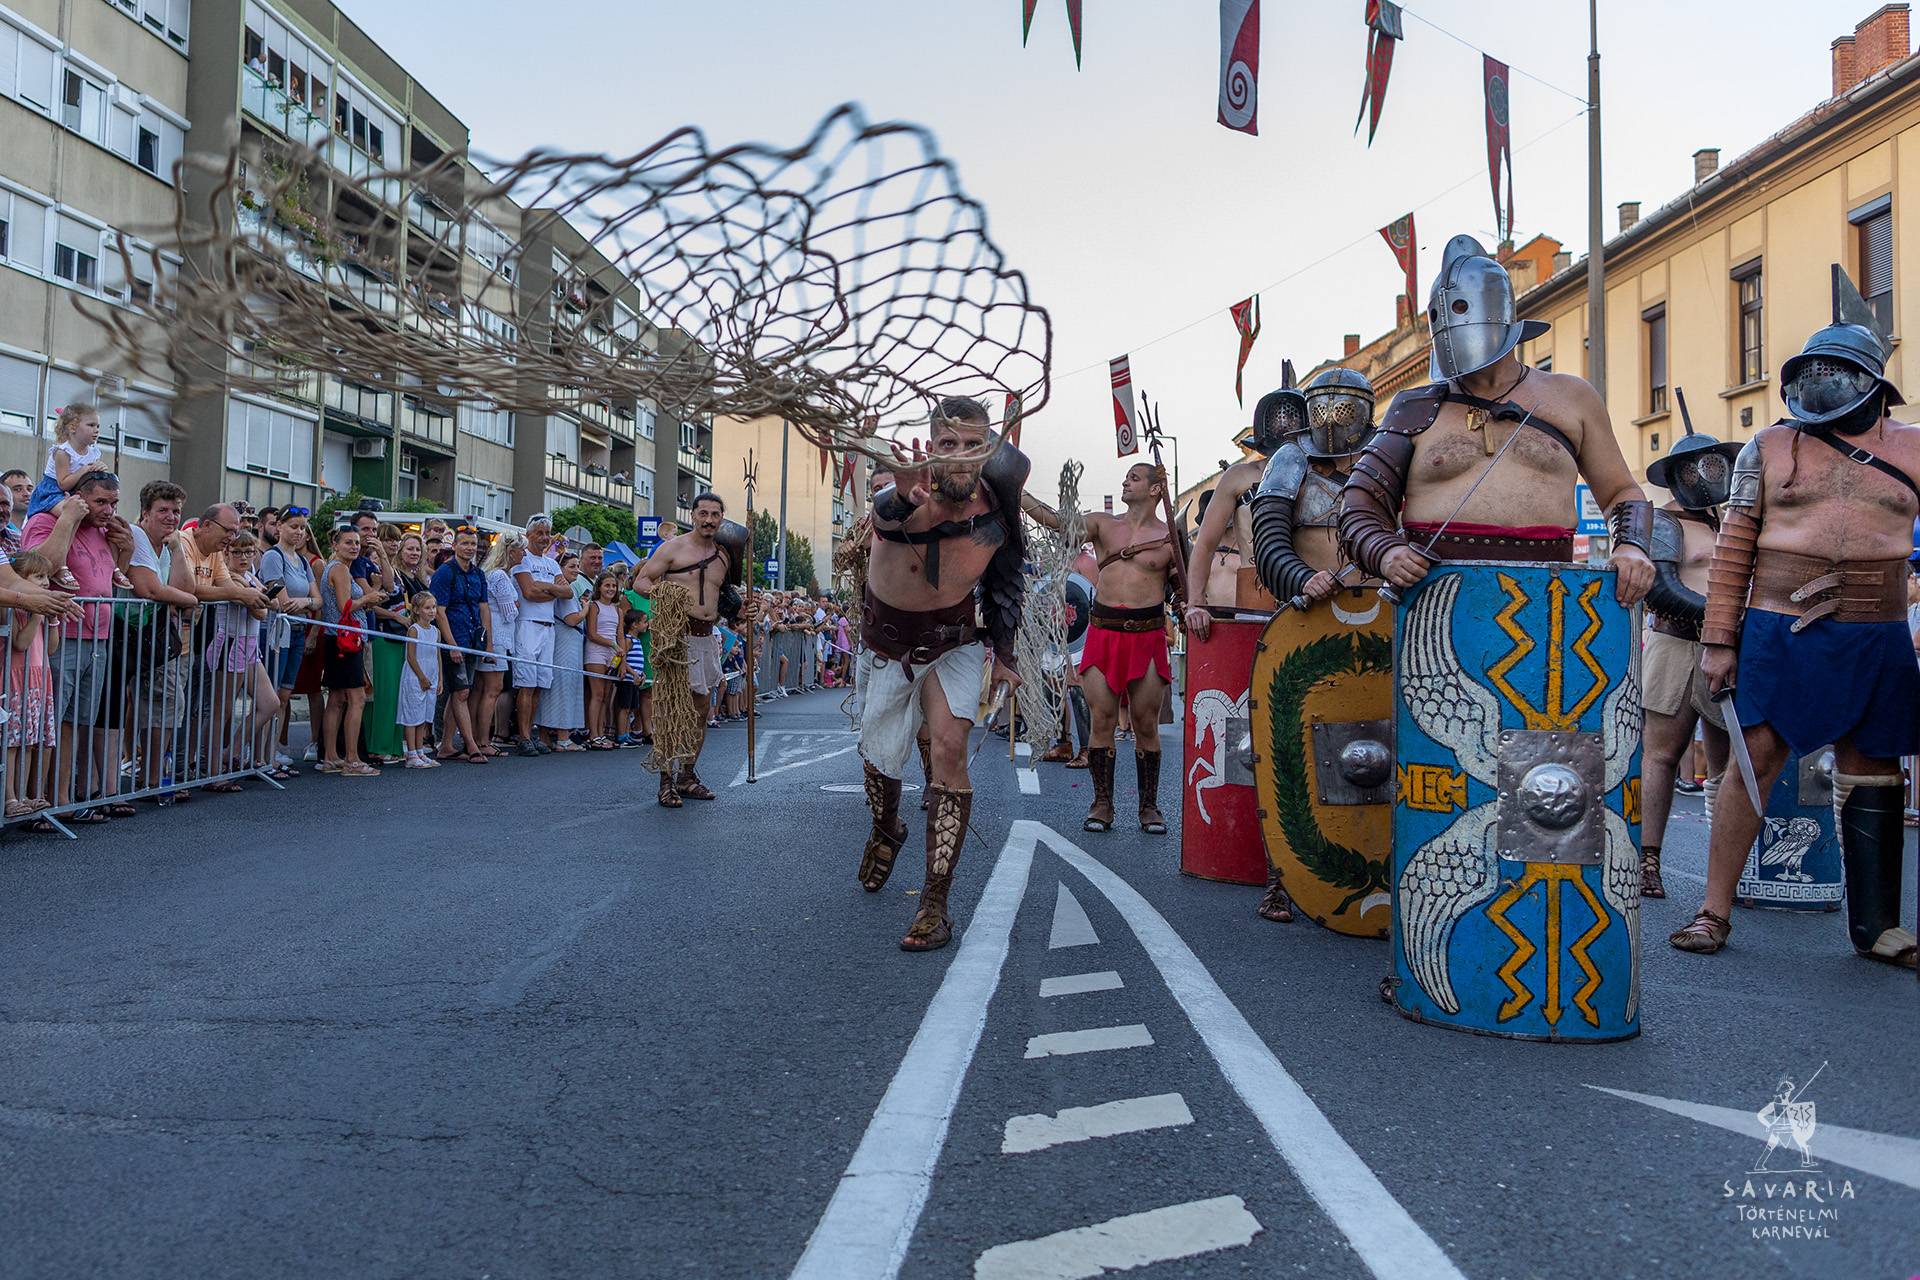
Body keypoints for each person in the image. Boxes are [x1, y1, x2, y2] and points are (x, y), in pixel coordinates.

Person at [1672, 319, 1920, 964]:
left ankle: (1878, 928)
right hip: (1778, 626)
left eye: (1836, 370)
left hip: (1878, 630)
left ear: (1875, 383)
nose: (1821, 382)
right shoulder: (1768, 446)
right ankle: (1713, 911)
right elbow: (1733, 549)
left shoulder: (1914, 447)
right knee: (1753, 760)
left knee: (1875, 765)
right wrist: (1719, 639)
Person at [1338, 235, 1654, 598]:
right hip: (1434, 599)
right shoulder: (1415, 407)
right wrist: (1386, 552)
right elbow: (1359, 505)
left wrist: (1631, 547)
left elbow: (1620, 492)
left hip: (1550, 596)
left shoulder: (1572, 398)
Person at [856, 397, 1027, 950]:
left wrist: (1005, 656)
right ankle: (888, 828)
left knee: (950, 750)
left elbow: (1004, 581)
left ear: (987, 450)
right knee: (880, 759)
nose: (959, 454)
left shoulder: (998, 505)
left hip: (954, 643)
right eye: (948, 443)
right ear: (932, 447)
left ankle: (935, 904)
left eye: (972, 444)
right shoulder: (907, 493)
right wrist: (900, 495)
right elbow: (886, 514)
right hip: (890, 645)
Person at [1221, 371, 1381, 921]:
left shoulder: (1385, 454)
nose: (1334, 417)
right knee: (1288, 743)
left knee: (1377, 748)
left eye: (1345, 406)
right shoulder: (1289, 460)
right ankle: (1283, 877)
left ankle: (1380, 869)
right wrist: (1300, 579)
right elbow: (1270, 542)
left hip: (1379, 614)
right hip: (1305, 615)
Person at [1025, 461, 1177, 835]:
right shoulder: (1102, 525)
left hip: (1148, 636)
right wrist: (1019, 493)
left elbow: (1183, 591)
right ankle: (1102, 804)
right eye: (1126, 477)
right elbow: (1057, 522)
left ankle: (1149, 807)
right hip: (1103, 633)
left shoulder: (1170, 537)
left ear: (1155, 489)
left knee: (1145, 723)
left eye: (1134, 478)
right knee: (1102, 720)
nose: (1125, 481)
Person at [1637, 427, 1742, 898]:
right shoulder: (1664, 521)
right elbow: (1660, 588)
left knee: (1726, 764)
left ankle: (1726, 870)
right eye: (1698, 467)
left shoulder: (1732, 520)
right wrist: (1723, 619)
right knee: (1661, 755)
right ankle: (1647, 860)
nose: (1706, 475)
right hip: (1678, 645)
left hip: (1727, 649)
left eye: (1714, 465)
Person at [24, 478, 135, 820]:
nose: (109, 510)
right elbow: (40, 567)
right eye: (100, 502)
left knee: (75, 721)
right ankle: (35, 801)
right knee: (50, 721)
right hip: (62, 635)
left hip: (97, 637)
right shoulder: (45, 521)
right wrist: (68, 519)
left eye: (114, 503)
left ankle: (61, 800)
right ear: (78, 498)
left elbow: (110, 577)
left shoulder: (102, 530)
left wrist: (125, 550)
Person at [630, 493, 751, 804]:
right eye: (703, 513)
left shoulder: (724, 556)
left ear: (721, 518)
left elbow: (724, 599)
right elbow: (640, 582)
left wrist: (742, 610)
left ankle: (687, 775)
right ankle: (666, 780)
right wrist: (666, 594)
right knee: (672, 711)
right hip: (677, 637)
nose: (709, 520)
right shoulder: (673, 548)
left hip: (707, 638)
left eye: (715, 514)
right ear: (693, 515)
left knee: (699, 711)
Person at [1186, 383, 1308, 613]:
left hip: (1311, 586)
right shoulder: (1238, 477)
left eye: (1292, 418)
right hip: (1255, 590)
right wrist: (1195, 603)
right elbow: (1205, 544)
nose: (1285, 424)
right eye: (1279, 419)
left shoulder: (1318, 473)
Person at [123, 480, 199, 801]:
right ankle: (150, 779)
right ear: (145, 513)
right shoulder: (137, 536)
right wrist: (188, 601)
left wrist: (177, 547)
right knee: (162, 703)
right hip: (134, 633)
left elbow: (184, 587)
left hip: (155, 636)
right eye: (163, 510)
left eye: (176, 511)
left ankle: (153, 777)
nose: (171, 517)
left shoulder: (167, 543)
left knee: (169, 704)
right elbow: (151, 589)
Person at [317, 524, 389, 778]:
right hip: (344, 641)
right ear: (335, 544)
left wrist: (369, 598)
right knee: (356, 699)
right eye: (348, 542)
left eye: (357, 542)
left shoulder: (339, 568)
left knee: (337, 699)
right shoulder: (339, 569)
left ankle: (330, 757)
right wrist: (368, 599)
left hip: (338, 638)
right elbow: (344, 606)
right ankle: (351, 759)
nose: (354, 547)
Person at [260, 505, 320, 773]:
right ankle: (260, 753)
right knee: (272, 696)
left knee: (284, 695)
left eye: (302, 528)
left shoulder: (303, 561)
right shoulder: (273, 557)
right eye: (293, 526)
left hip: (297, 631)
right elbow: (284, 602)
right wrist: (305, 603)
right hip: (277, 631)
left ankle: (272, 752)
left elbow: (317, 600)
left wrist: (305, 602)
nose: (299, 532)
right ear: (279, 527)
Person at [429, 524, 492, 763]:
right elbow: (439, 612)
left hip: (472, 641)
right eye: (464, 543)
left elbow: (484, 608)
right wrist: (452, 645)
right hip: (453, 640)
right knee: (462, 691)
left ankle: (446, 745)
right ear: (454, 545)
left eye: (472, 544)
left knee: (460, 693)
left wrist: (487, 643)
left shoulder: (478, 574)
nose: (469, 548)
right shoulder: (445, 573)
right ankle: (471, 746)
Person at [511, 515, 572, 757]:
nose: (545, 538)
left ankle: (530, 733)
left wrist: (546, 587)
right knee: (526, 684)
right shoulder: (522, 559)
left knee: (539, 685)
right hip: (527, 625)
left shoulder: (552, 564)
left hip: (548, 627)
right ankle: (523, 737)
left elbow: (567, 592)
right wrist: (553, 590)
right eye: (539, 533)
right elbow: (529, 592)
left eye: (547, 533)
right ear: (528, 535)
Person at [5, 551, 58, 821]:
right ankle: (10, 797)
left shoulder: (39, 611)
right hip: (16, 679)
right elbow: (20, 643)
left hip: (38, 678)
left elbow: (51, 648)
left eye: (46, 576)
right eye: (38, 577)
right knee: (12, 742)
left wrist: (53, 620)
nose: (46, 582)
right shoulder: (13, 609)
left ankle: (24, 794)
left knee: (29, 740)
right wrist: (37, 616)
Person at [477, 532, 523, 756]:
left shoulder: (497, 574)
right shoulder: (499, 576)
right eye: (521, 550)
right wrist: (516, 605)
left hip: (498, 636)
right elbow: (509, 612)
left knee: (485, 690)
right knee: (493, 689)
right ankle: (483, 740)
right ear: (511, 552)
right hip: (497, 638)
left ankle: (480, 738)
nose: (524, 554)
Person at [536, 551, 587, 751]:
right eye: (572, 566)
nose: (576, 570)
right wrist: (586, 609)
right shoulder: (565, 591)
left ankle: (545, 736)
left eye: (577, 566)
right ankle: (563, 738)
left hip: (566, 640)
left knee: (555, 687)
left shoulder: (565, 589)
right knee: (563, 687)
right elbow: (571, 619)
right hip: (566, 641)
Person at [27, 404, 109, 521]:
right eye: (91, 425)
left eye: (98, 426)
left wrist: (99, 468)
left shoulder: (93, 452)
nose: (96, 430)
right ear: (72, 428)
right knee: (72, 513)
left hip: (77, 492)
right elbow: (63, 484)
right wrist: (84, 470)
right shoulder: (63, 452)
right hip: (53, 493)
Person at [399, 591, 443, 769]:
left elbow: (437, 655)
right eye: (427, 608)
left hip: (431, 675)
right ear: (417, 610)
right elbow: (410, 656)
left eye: (433, 607)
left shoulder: (436, 631)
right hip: (415, 677)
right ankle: (411, 753)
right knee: (412, 716)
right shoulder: (414, 630)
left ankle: (419, 751)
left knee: (424, 716)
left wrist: (440, 679)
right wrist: (422, 677)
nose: (432, 611)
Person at [583, 571, 624, 749]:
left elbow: (620, 635)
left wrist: (623, 661)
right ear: (599, 587)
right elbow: (592, 634)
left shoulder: (618, 610)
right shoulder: (594, 606)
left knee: (606, 696)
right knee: (597, 694)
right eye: (607, 585)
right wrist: (612, 644)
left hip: (613, 655)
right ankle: (593, 735)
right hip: (596, 653)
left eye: (614, 586)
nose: (611, 589)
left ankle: (600, 733)